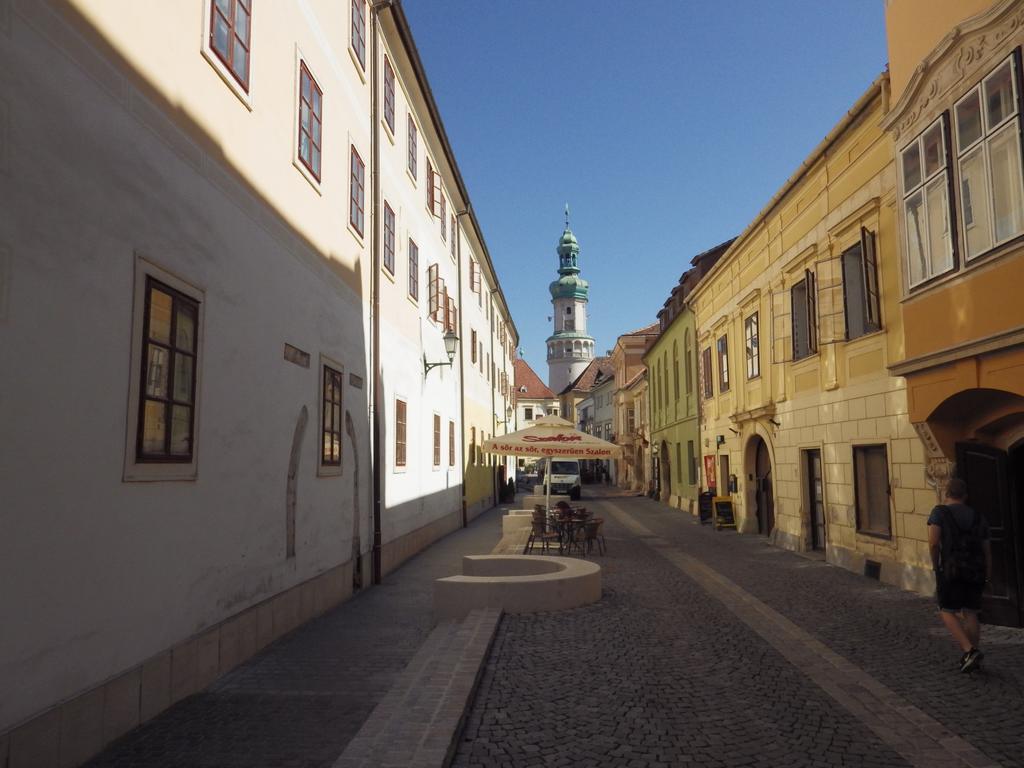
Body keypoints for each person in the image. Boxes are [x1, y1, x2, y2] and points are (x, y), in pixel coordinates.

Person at [927, 478, 991, 673]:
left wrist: (935, 564)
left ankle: (969, 650)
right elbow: (987, 549)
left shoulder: (940, 512)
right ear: (965, 495)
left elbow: (933, 542)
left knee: (947, 610)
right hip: (976, 569)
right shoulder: (978, 516)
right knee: (971, 611)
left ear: (947, 493)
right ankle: (973, 655)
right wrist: (989, 572)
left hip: (952, 569)